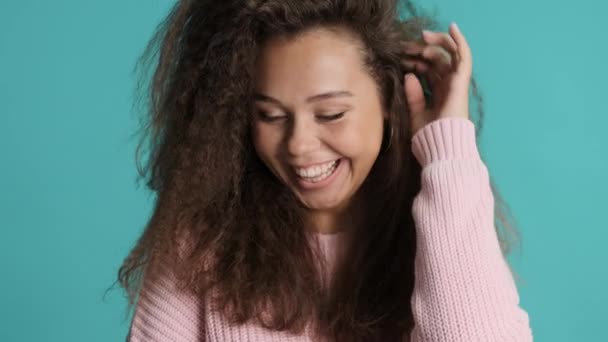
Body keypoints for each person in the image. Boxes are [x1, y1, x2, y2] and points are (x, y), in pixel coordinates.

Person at [118, 0, 533, 340]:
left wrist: (449, 150)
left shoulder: (447, 227)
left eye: (331, 113)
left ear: (389, 102)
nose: (299, 145)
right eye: (270, 115)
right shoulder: (201, 245)